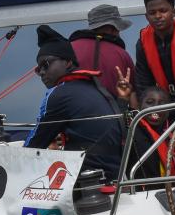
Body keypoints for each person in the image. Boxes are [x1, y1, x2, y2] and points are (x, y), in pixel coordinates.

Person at [26, 25, 124, 176]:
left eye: (46, 64)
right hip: (115, 173)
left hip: (88, 178)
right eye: (38, 70)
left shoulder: (59, 94)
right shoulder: (93, 86)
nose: (42, 72)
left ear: (68, 62)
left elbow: (34, 145)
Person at [70, 3, 136, 95]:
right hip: (113, 104)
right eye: (118, 29)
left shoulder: (70, 48)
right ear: (112, 28)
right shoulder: (121, 54)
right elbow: (133, 92)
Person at [126, 87, 175, 183]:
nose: (156, 107)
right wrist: (122, 99)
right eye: (150, 102)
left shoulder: (174, 134)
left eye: (162, 103)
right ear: (139, 106)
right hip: (143, 189)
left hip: (171, 188)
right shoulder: (131, 131)